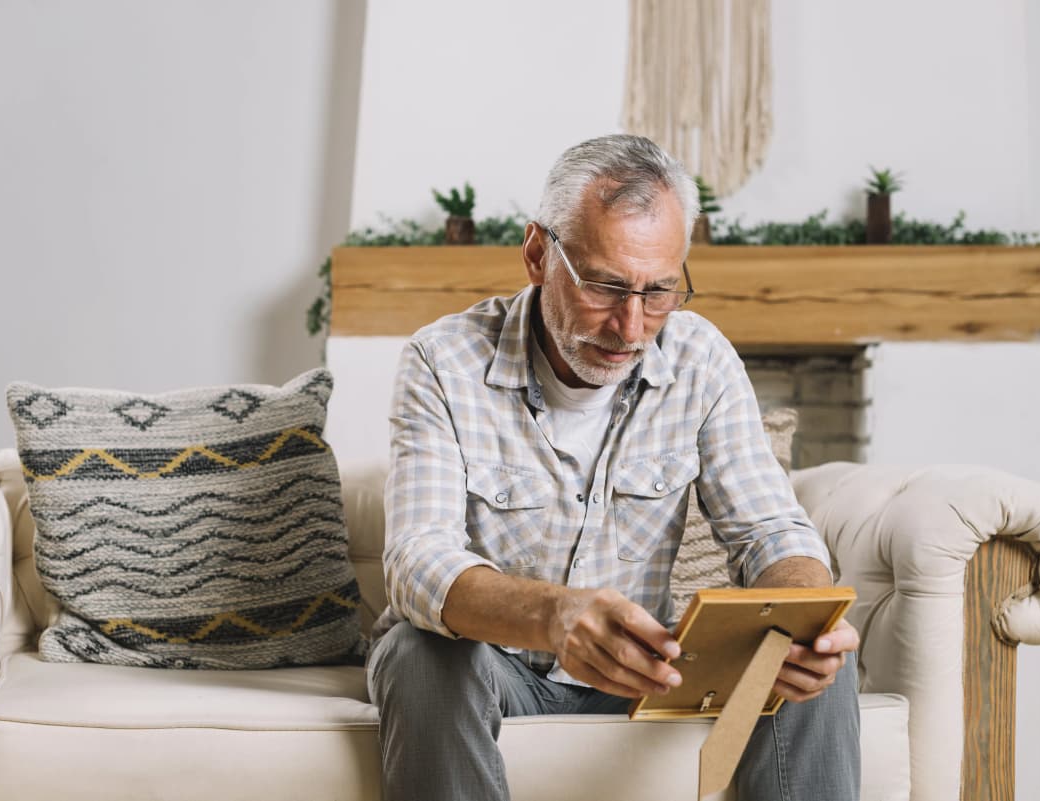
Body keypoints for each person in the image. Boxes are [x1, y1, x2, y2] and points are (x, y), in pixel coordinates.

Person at [366, 134, 861, 801]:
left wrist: (806, 610)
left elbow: (770, 528)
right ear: (539, 253)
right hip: (502, 668)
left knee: (815, 651)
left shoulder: (700, 358)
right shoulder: (442, 360)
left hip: (645, 675)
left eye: (658, 292)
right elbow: (416, 561)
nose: (631, 327)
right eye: (605, 286)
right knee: (418, 651)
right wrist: (553, 616)